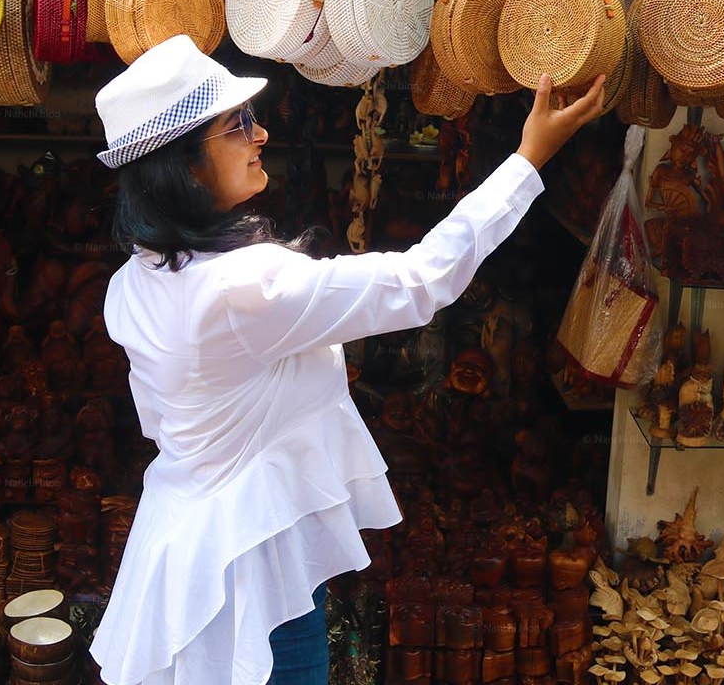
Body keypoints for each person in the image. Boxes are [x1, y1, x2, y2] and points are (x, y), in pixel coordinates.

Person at [86, 34, 608, 685]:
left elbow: (161, 420)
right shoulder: (243, 290)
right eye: (237, 124)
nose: (261, 133)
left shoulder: (136, 280)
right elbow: (421, 282)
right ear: (186, 166)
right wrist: (531, 159)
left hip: (182, 549)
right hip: (254, 565)